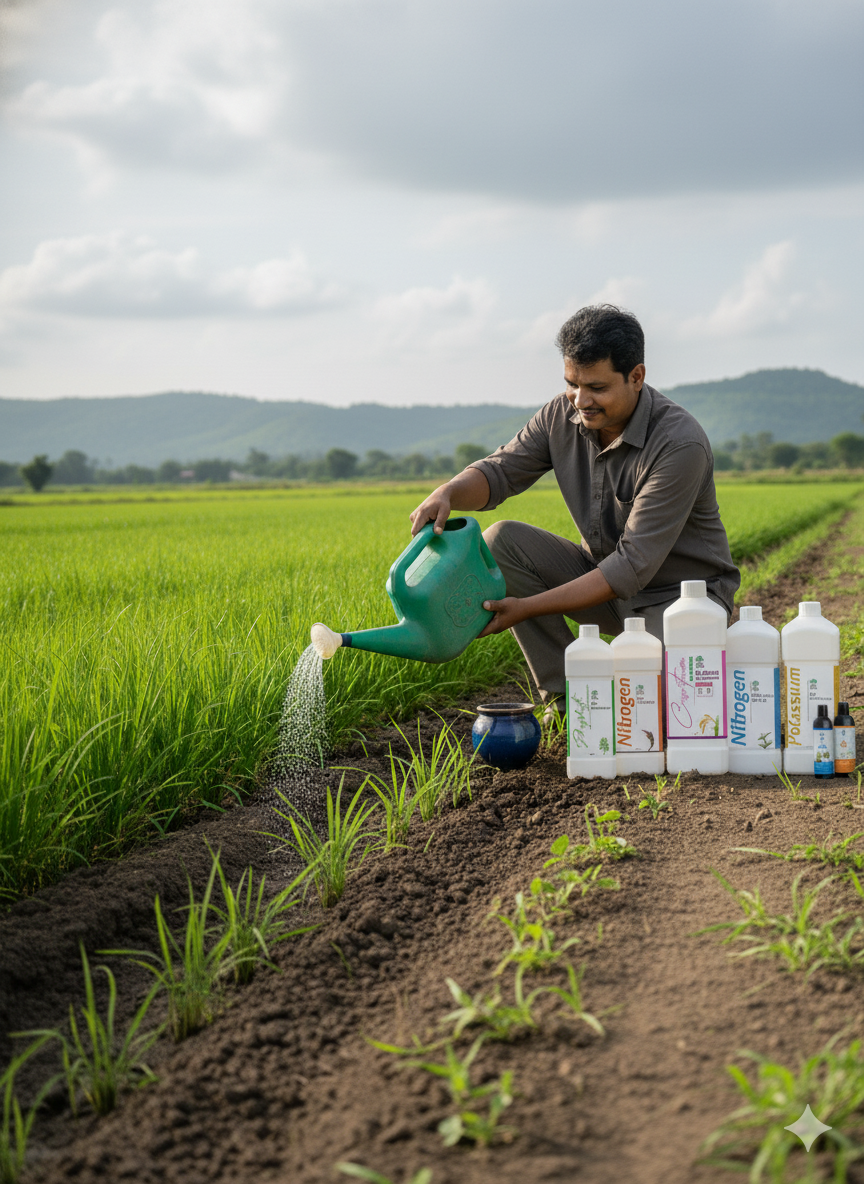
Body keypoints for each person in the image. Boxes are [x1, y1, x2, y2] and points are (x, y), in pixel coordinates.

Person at [408, 304, 740, 714]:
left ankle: (709, 652)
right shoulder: (561, 416)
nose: (580, 400)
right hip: (602, 584)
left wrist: (525, 608)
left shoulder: (678, 444)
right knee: (501, 543)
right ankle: (569, 701)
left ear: (636, 377)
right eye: (571, 383)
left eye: (596, 388)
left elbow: (632, 565)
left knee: (645, 711)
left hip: (680, 601)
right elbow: (500, 472)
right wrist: (448, 492)